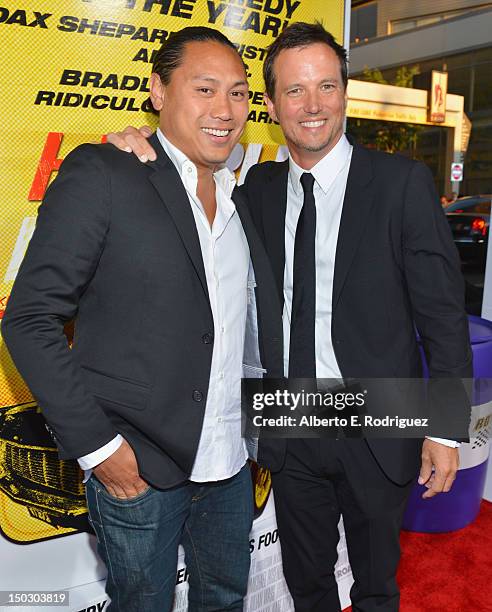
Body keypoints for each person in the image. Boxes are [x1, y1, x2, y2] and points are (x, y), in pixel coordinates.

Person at [106, 22, 472, 612]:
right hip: (292, 416)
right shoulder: (254, 189)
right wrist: (134, 146)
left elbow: (443, 317)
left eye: (327, 87)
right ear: (271, 105)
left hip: (381, 416)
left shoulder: (400, 183)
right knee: (308, 587)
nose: (313, 106)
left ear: (345, 94)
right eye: (295, 91)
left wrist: (445, 429)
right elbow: (179, 177)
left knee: (377, 587)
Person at [2, 27, 283, 612]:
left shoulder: (243, 196)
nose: (225, 110)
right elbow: (29, 319)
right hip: (140, 466)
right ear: (157, 90)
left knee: (225, 598)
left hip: (232, 461)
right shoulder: (106, 173)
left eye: (238, 94)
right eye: (204, 89)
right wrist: (100, 449)